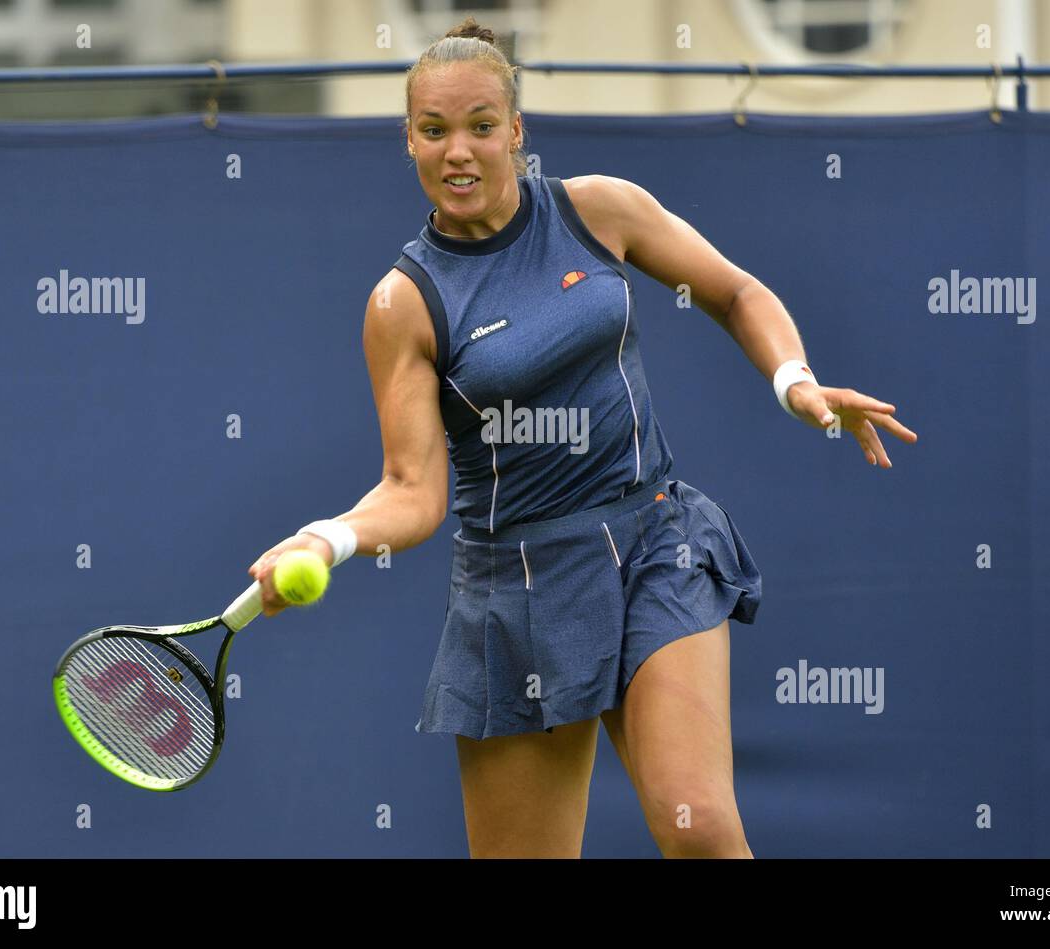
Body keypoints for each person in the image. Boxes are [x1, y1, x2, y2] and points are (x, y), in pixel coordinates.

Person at [248, 17, 917, 858]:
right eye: (434, 130)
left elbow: (737, 293)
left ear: (516, 132)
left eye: (482, 127)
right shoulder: (403, 304)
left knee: (701, 828)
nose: (459, 151)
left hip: (654, 546)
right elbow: (413, 492)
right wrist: (328, 537)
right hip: (517, 593)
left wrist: (795, 382)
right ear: (408, 142)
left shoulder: (598, 209)